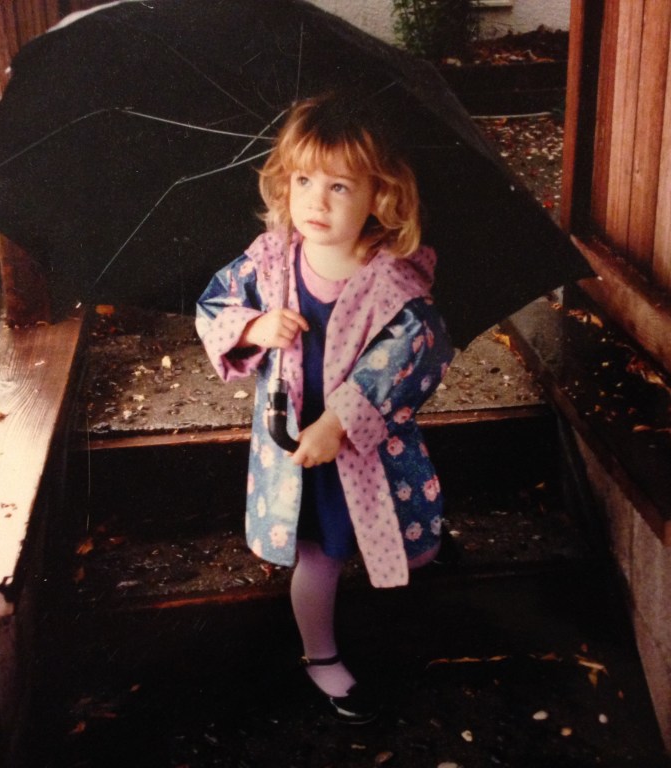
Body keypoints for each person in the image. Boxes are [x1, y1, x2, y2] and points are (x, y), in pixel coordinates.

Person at [196, 92, 454, 724]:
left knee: (374, 522)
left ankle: (393, 609)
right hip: (294, 446)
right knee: (319, 552)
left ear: (380, 197)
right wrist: (255, 327)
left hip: (358, 446)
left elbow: (407, 355)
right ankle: (320, 654)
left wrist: (340, 422)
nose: (315, 201)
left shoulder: (392, 280)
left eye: (340, 187)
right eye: (303, 180)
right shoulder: (270, 259)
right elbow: (214, 305)